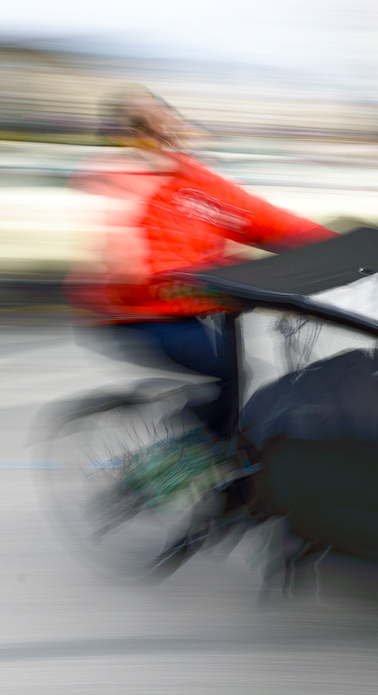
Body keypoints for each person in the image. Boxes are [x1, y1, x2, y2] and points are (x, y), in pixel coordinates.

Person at [67, 86, 334, 439]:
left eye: (164, 117)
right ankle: (192, 447)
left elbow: (266, 220)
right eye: (143, 123)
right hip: (140, 315)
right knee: (230, 376)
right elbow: (127, 261)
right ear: (123, 133)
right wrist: (208, 279)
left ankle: (223, 450)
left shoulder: (196, 180)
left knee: (244, 383)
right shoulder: (118, 177)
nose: (160, 128)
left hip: (199, 304)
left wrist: (339, 247)